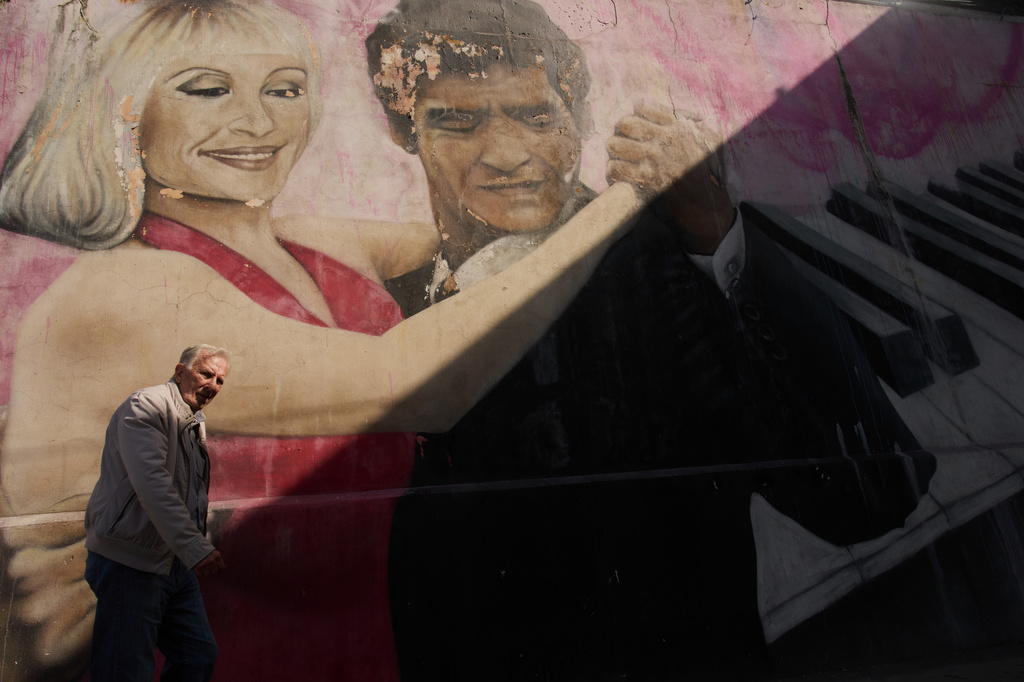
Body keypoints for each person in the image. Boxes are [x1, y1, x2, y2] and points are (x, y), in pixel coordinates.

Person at [0, 1, 650, 679]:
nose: (260, 121)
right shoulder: (116, 295)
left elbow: (499, 234)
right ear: (126, 113)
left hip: (360, 651)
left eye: (284, 89)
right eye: (206, 89)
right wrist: (632, 196)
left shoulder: (309, 245)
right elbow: (417, 382)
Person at [366, 1, 935, 679]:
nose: (508, 154)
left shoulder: (664, 263)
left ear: (576, 118)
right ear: (406, 134)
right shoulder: (385, 296)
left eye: (535, 116)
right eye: (458, 122)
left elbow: (869, 494)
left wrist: (717, 232)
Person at [84, 344, 230, 682]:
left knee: (197, 656)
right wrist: (194, 547)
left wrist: (187, 551)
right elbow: (152, 483)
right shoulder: (147, 405)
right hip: (131, 563)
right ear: (180, 372)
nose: (213, 385)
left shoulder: (192, 419)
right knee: (125, 671)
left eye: (220, 380)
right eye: (205, 374)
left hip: (174, 564)